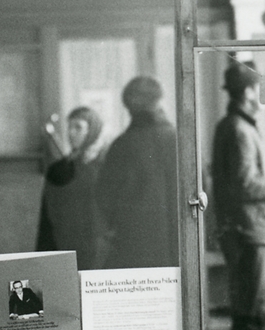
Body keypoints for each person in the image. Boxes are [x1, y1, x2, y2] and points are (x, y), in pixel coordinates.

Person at [210, 62, 265, 330]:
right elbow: (246, 183)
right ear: (249, 92)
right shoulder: (240, 129)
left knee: (252, 309)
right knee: (255, 312)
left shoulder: (235, 126)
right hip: (253, 231)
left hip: (251, 230)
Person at [97, 76, 179, 269]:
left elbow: (104, 199)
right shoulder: (179, 139)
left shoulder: (121, 145)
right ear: (159, 102)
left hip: (135, 248)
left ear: (129, 108)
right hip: (181, 245)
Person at [35, 105, 107, 270]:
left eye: (78, 127)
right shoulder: (60, 169)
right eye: (69, 127)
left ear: (92, 130)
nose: (71, 133)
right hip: (66, 243)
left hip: (98, 247)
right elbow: (48, 217)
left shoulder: (106, 167)